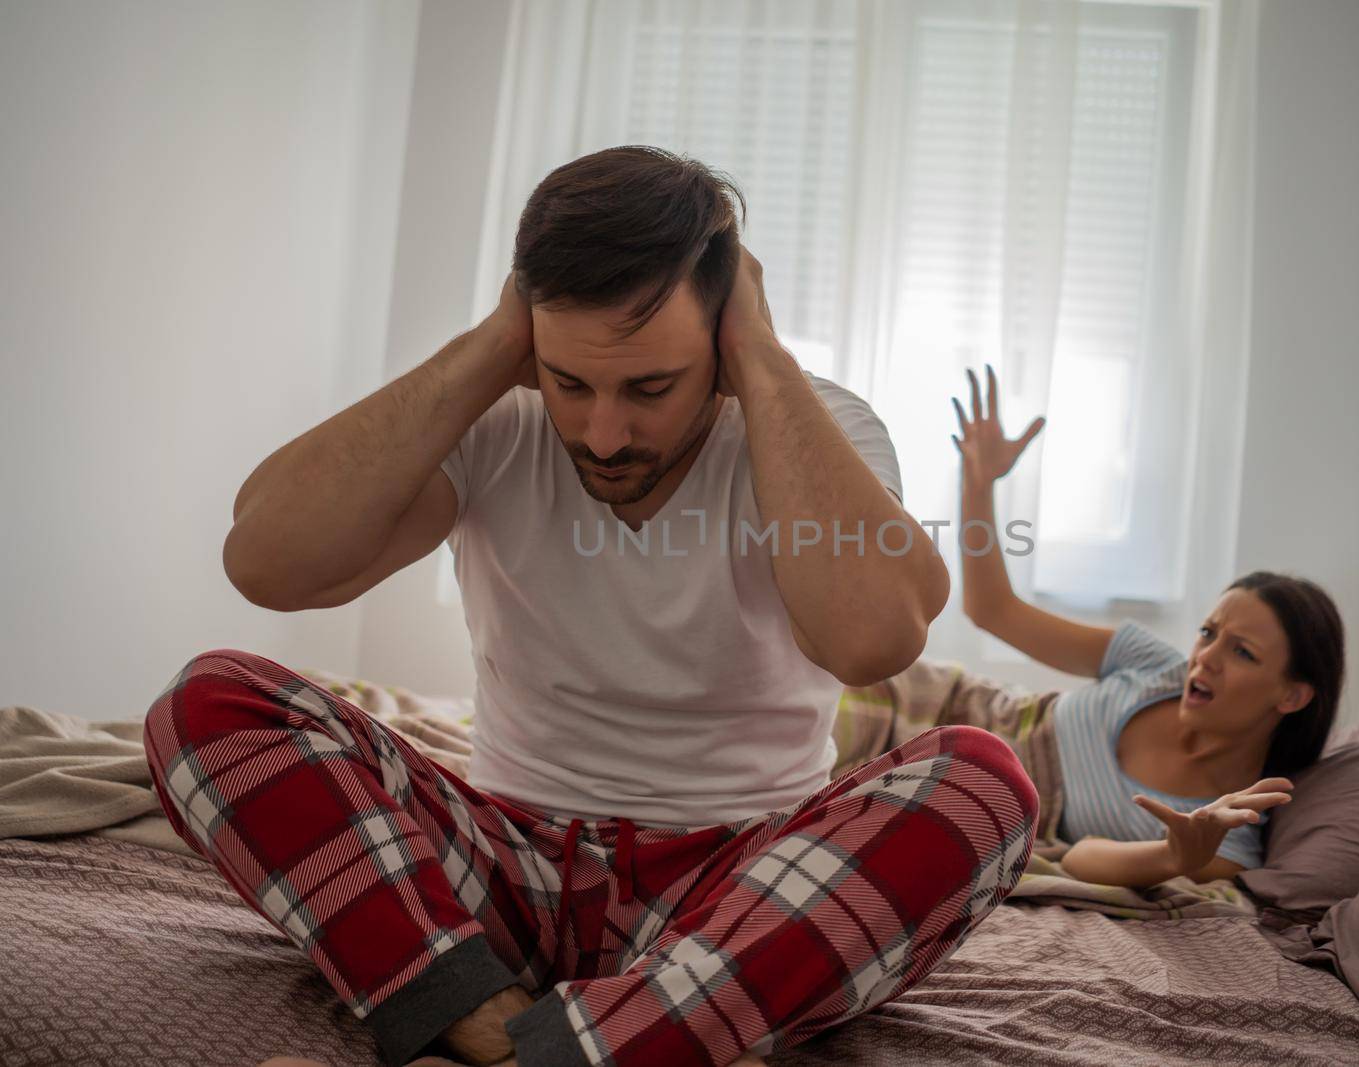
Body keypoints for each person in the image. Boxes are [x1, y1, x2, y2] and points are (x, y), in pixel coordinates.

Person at [144, 147, 1039, 1067]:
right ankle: (527, 1034)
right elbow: (267, 564)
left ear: (724, 340)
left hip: (734, 895)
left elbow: (871, 640)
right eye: (572, 383)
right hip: (504, 869)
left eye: (649, 387)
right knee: (206, 701)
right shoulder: (497, 415)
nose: (603, 434)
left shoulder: (817, 428)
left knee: (985, 783)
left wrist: (763, 357)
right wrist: (493, 349)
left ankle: (521, 1047)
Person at [942, 365, 1345, 888]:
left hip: (966, 796)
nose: (1205, 658)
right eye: (1207, 633)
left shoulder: (1227, 828)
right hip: (947, 712)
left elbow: (1079, 859)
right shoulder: (1158, 666)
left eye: (1242, 652)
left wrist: (1176, 856)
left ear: (1291, 696)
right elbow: (991, 609)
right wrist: (978, 485)